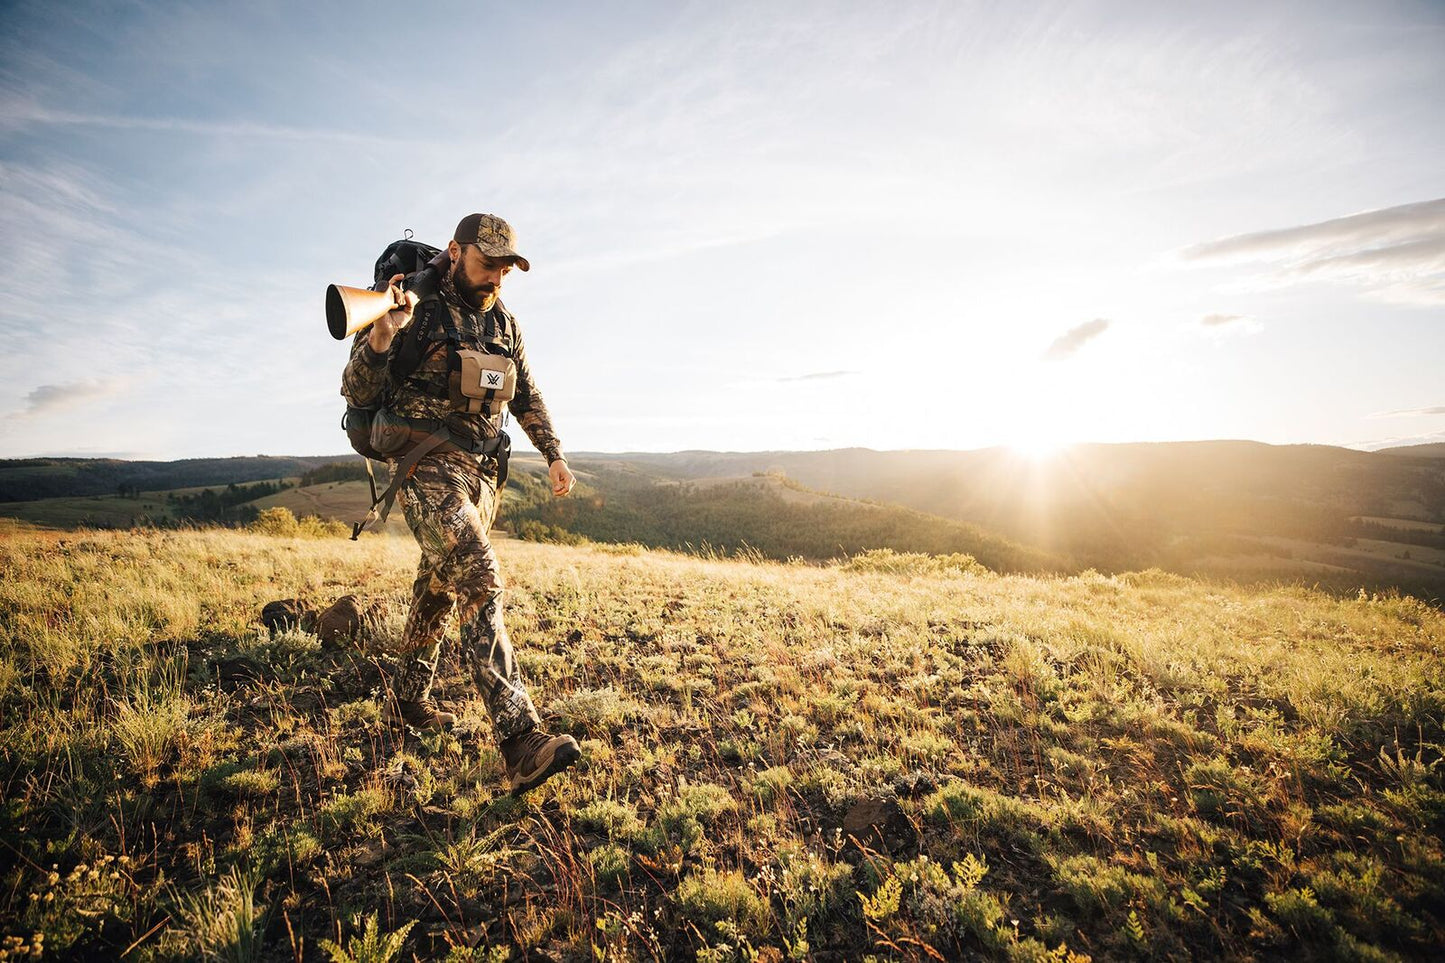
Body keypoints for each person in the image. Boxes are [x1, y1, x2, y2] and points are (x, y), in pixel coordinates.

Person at [340, 212, 580, 794]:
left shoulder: (504, 324)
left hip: (481, 475)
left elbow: (525, 395)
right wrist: (381, 335)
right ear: (455, 251)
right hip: (425, 468)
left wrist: (552, 453)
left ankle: (407, 701)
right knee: (479, 576)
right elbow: (356, 391)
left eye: (506, 266)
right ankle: (520, 738)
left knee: (438, 587)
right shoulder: (411, 307)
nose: (496, 274)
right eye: (486, 261)